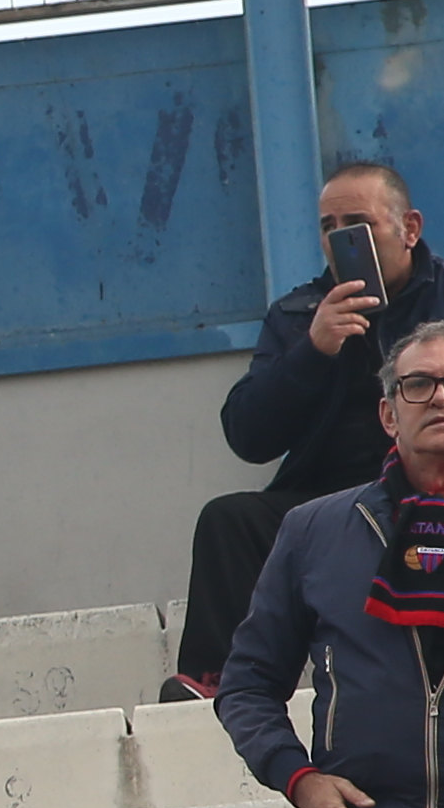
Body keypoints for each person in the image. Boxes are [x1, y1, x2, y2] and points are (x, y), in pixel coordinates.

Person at [173, 161, 439, 700]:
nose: (341, 239)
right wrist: (312, 352)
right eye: (328, 226)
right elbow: (248, 436)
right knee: (230, 519)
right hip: (329, 503)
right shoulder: (299, 314)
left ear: (409, 229)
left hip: (429, 488)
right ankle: (214, 680)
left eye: (357, 223)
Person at [220, 319, 444, 808]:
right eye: (419, 384)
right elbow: (247, 684)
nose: (441, 397)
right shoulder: (313, 530)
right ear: (388, 415)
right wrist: (299, 779)